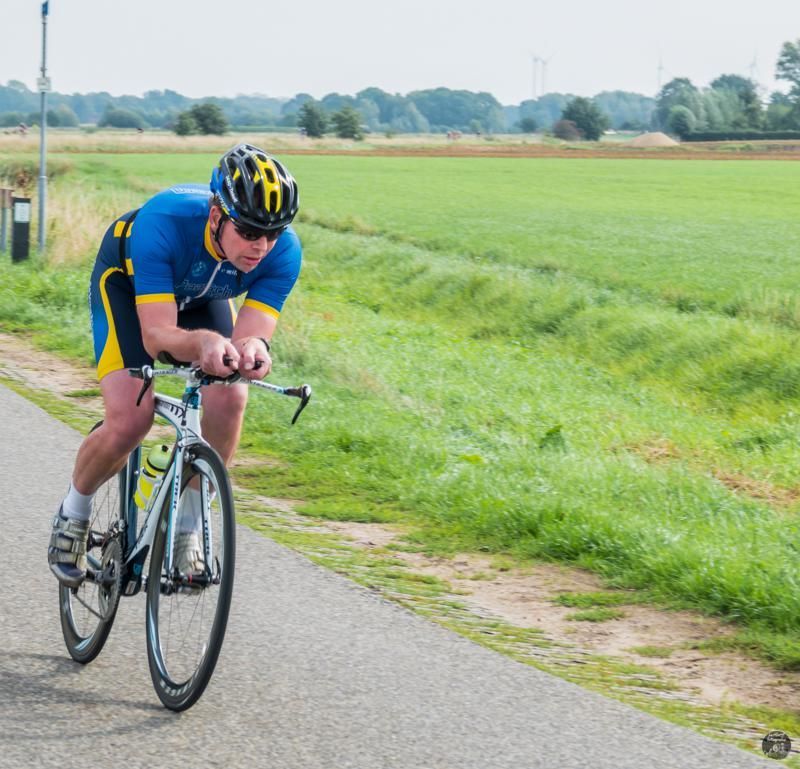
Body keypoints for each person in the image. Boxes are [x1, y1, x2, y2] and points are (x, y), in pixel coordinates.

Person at [48, 143, 301, 587]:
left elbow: (252, 335)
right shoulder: (164, 222)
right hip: (128, 288)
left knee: (230, 396)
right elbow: (157, 335)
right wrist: (203, 341)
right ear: (216, 216)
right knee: (131, 420)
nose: (261, 246)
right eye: (248, 231)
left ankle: (186, 526)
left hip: (202, 299)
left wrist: (255, 350)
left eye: (273, 233)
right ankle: (73, 514)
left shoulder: (282, 252)